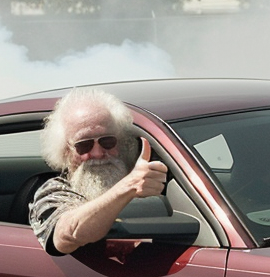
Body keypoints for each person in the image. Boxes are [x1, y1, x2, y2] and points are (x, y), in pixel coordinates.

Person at [29, 87, 169, 255]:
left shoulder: (152, 176)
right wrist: (128, 187)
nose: (97, 153)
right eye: (84, 145)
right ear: (66, 152)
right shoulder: (55, 192)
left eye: (107, 141)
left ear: (122, 142)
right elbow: (67, 235)